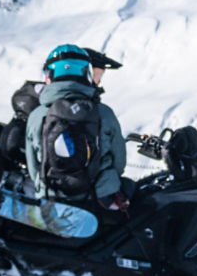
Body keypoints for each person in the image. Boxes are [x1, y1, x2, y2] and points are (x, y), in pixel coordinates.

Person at [24, 44, 129, 212]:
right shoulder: (104, 113)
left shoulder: (37, 115)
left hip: (52, 198)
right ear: (85, 73)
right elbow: (119, 160)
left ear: (49, 75)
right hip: (99, 198)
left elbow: (32, 165)